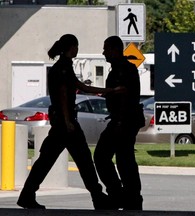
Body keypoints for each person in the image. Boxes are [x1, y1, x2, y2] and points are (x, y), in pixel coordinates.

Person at [17, 34, 119, 210]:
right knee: (83, 160)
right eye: (76, 46)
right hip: (66, 123)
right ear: (71, 47)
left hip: (61, 123)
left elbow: (81, 87)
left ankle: (27, 194)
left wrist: (108, 90)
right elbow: (64, 94)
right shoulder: (63, 67)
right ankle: (97, 197)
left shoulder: (63, 67)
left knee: (48, 160)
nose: (77, 49)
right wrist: (67, 120)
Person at [94, 36, 145, 210]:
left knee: (110, 157)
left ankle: (123, 195)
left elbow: (125, 96)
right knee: (123, 158)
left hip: (124, 120)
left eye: (106, 49)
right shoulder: (119, 68)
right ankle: (127, 196)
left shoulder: (123, 70)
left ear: (115, 50)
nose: (104, 53)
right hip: (122, 120)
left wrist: (120, 121)